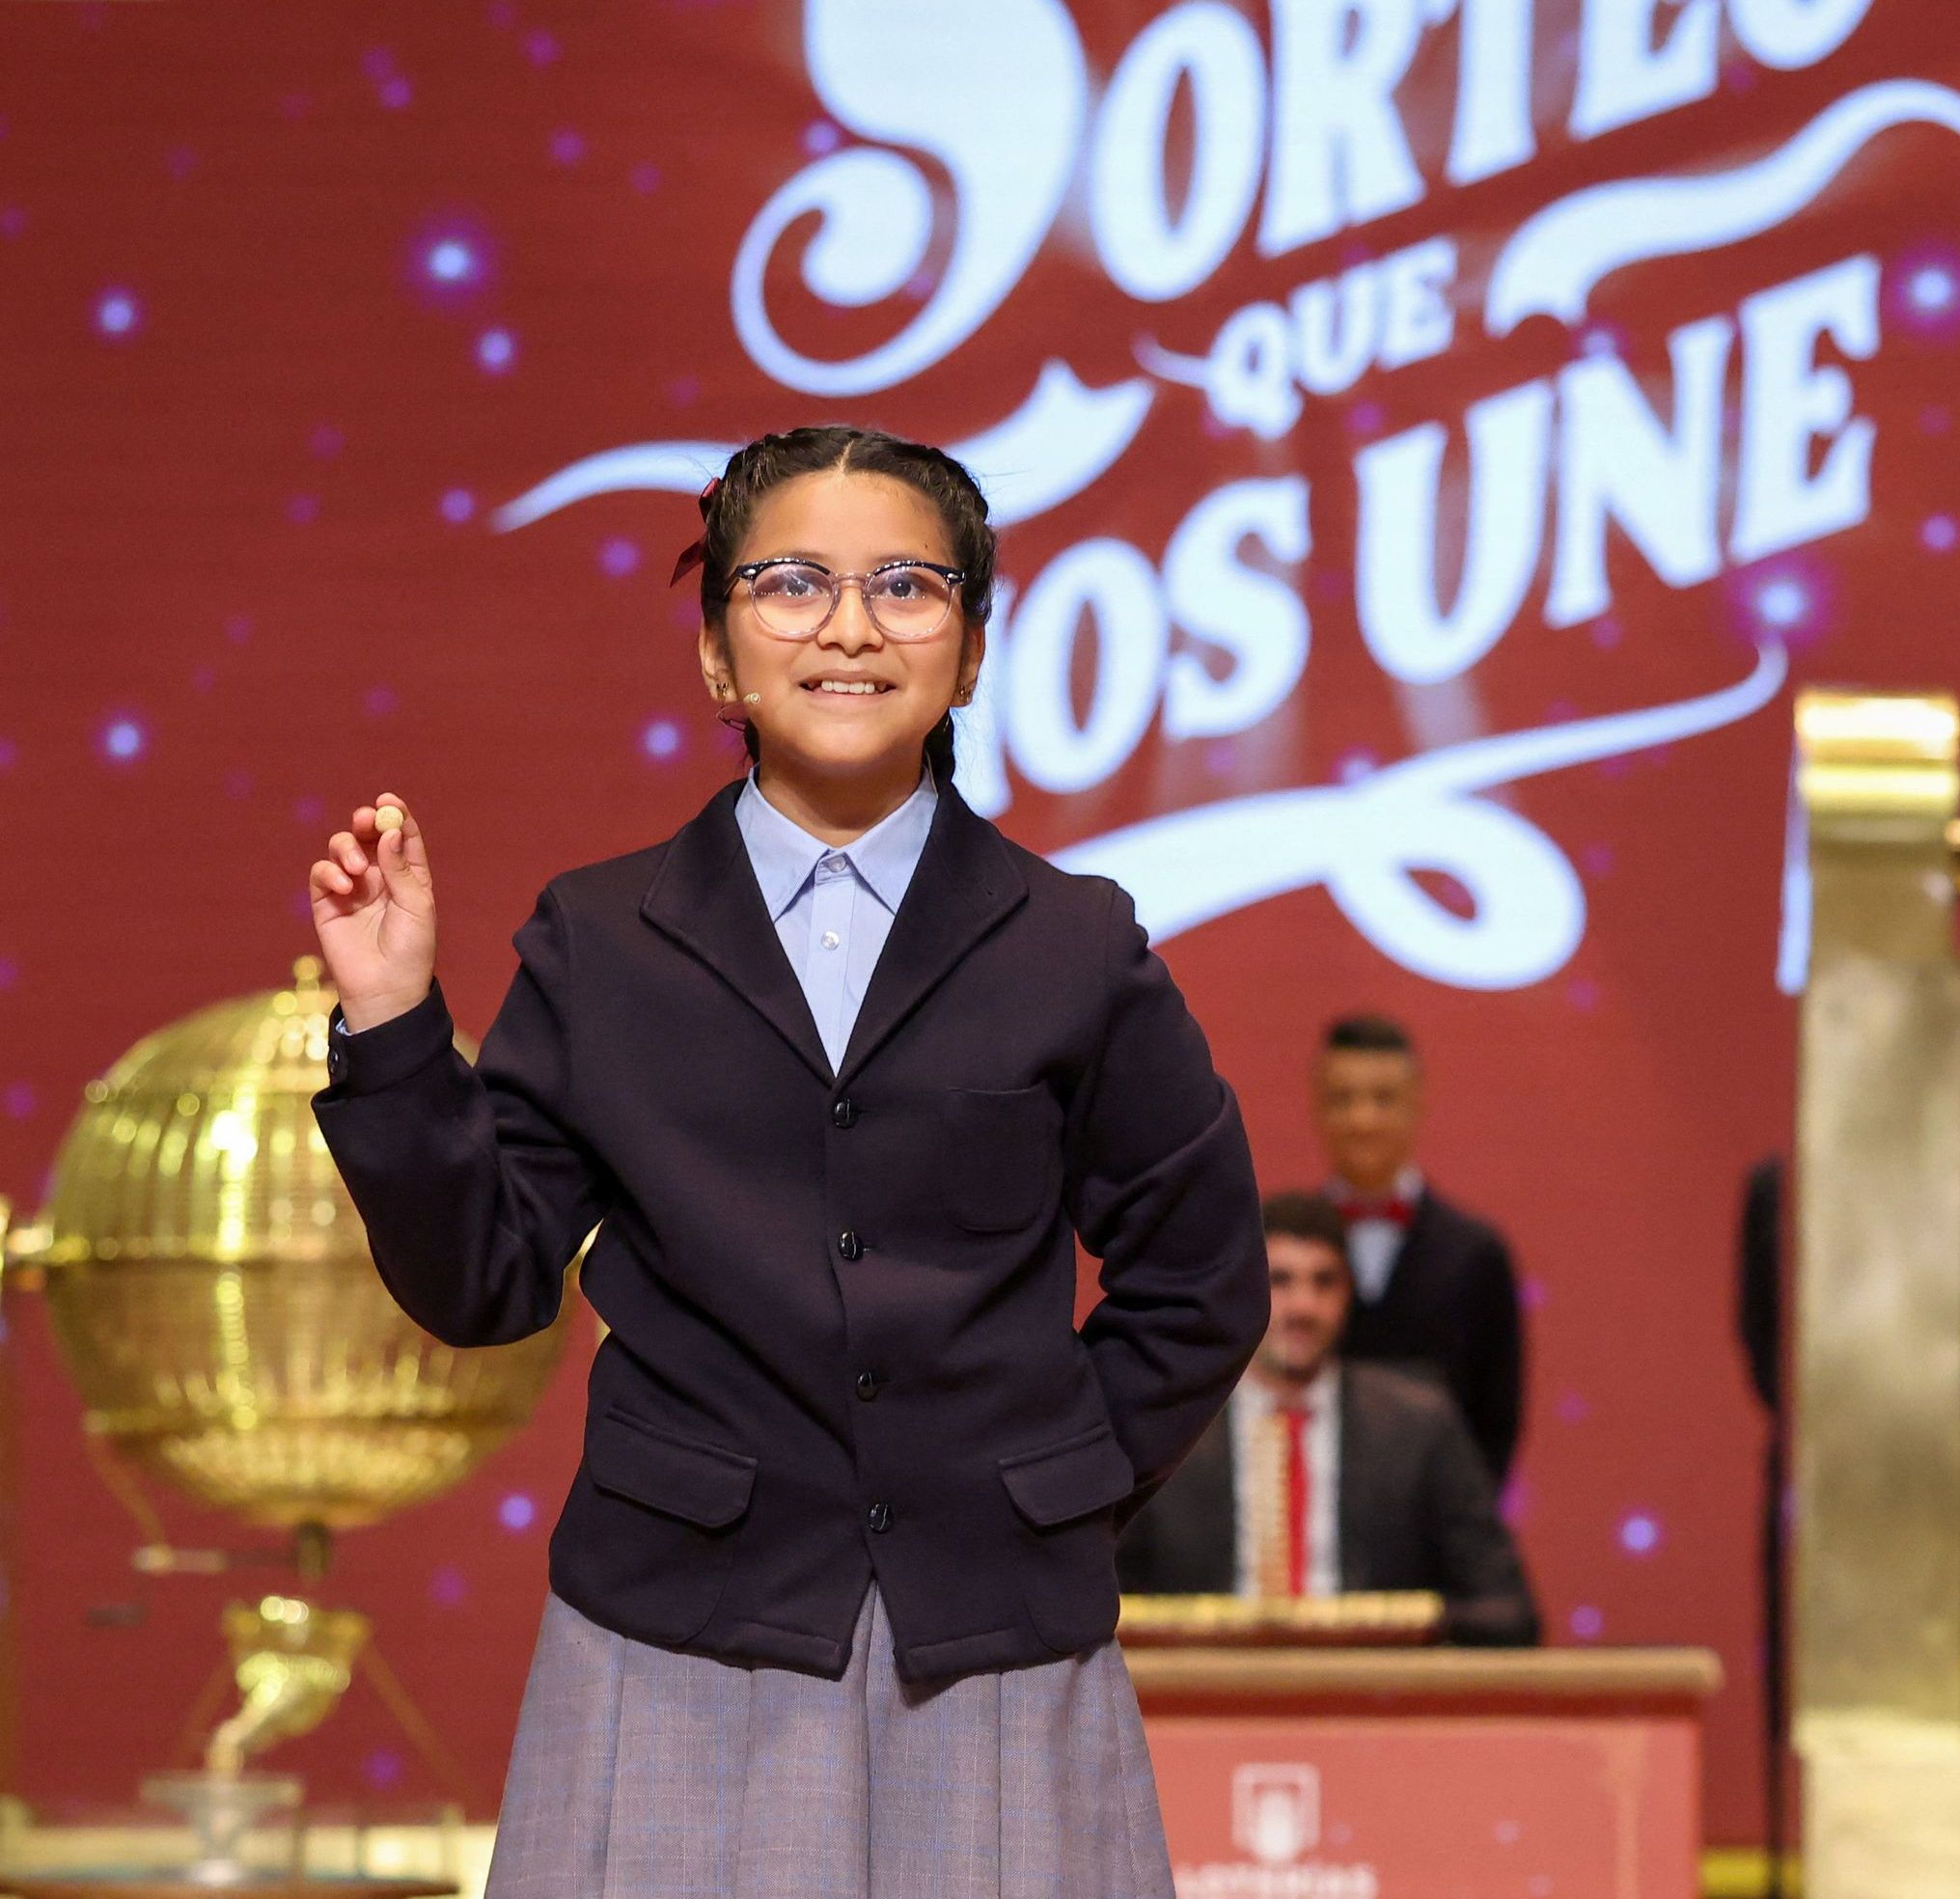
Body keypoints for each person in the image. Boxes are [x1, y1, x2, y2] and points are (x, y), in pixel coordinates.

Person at [305, 427, 1266, 1899]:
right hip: (675, 1634)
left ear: (971, 652)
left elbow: (1200, 1281)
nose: (850, 628)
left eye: (906, 587)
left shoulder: (1076, 943)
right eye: (794, 583)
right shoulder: (601, 940)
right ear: (716, 655)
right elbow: (484, 1284)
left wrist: (1047, 1490)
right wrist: (392, 1026)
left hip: (994, 1640)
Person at [1736, 1149, 1960, 1736]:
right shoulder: (1781, 1191)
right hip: (1819, 1507)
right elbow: (1769, 1357)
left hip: (1951, 1508)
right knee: (1811, 1722)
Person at [1117, 1194, 1542, 1646]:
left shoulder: (1419, 1426)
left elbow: (1508, 1610)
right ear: (1238, 1292)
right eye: (1280, 1281)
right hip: (1205, 1684)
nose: (1303, 1307)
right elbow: (1102, 1604)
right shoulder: (1168, 1428)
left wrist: (1394, 1627)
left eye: (1324, 1282)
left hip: (1371, 1684)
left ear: (1348, 1294)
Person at [1313, 1013, 1528, 1484]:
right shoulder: (1277, 1248)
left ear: (1417, 1102)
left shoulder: (1476, 1255)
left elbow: (1496, 1424)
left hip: (1436, 1519)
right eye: (1342, 1098)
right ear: (1316, 1105)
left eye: (1383, 1098)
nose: (1363, 1120)